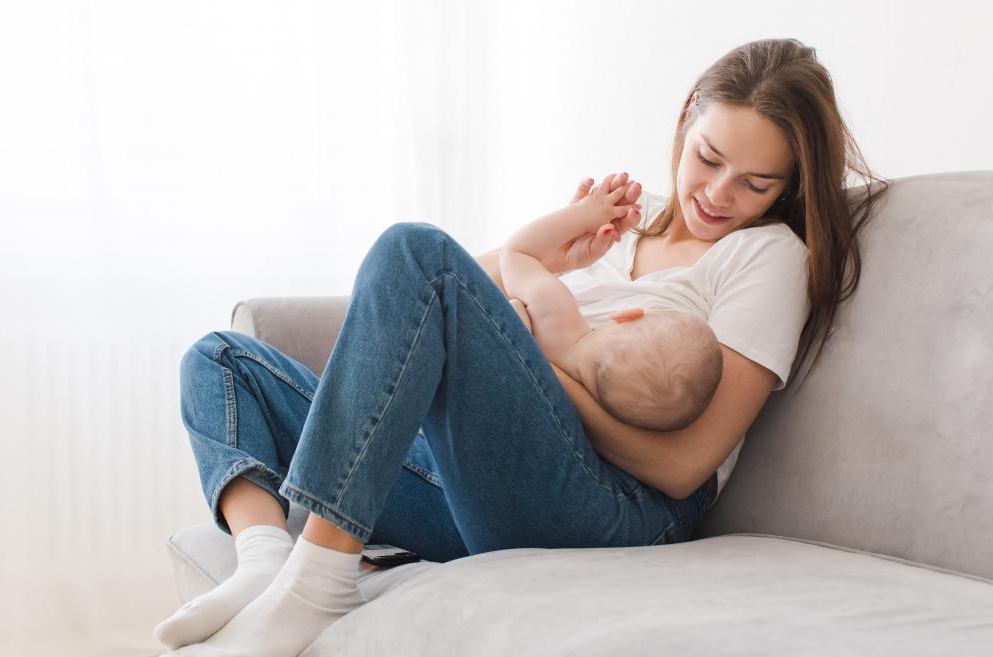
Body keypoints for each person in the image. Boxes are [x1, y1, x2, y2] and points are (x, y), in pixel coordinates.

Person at [153, 37, 889, 657]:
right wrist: (550, 264)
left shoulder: (768, 256)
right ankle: (264, 560)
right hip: (491, 477)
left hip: (613, 504)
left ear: (788, 188)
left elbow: (682, 464)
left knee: (414, 246)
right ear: (685, 120)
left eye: (756, 182)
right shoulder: (626, 217)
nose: (718, 194)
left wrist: (547, 360)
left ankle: (318, 582)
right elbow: (424, 305)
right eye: (708, 157)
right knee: (220, 362)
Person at [500, 171, 723, 432]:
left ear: (626, 314)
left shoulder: (556, 312)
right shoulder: (584, 409)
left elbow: (516, 252)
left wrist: (581, 215)